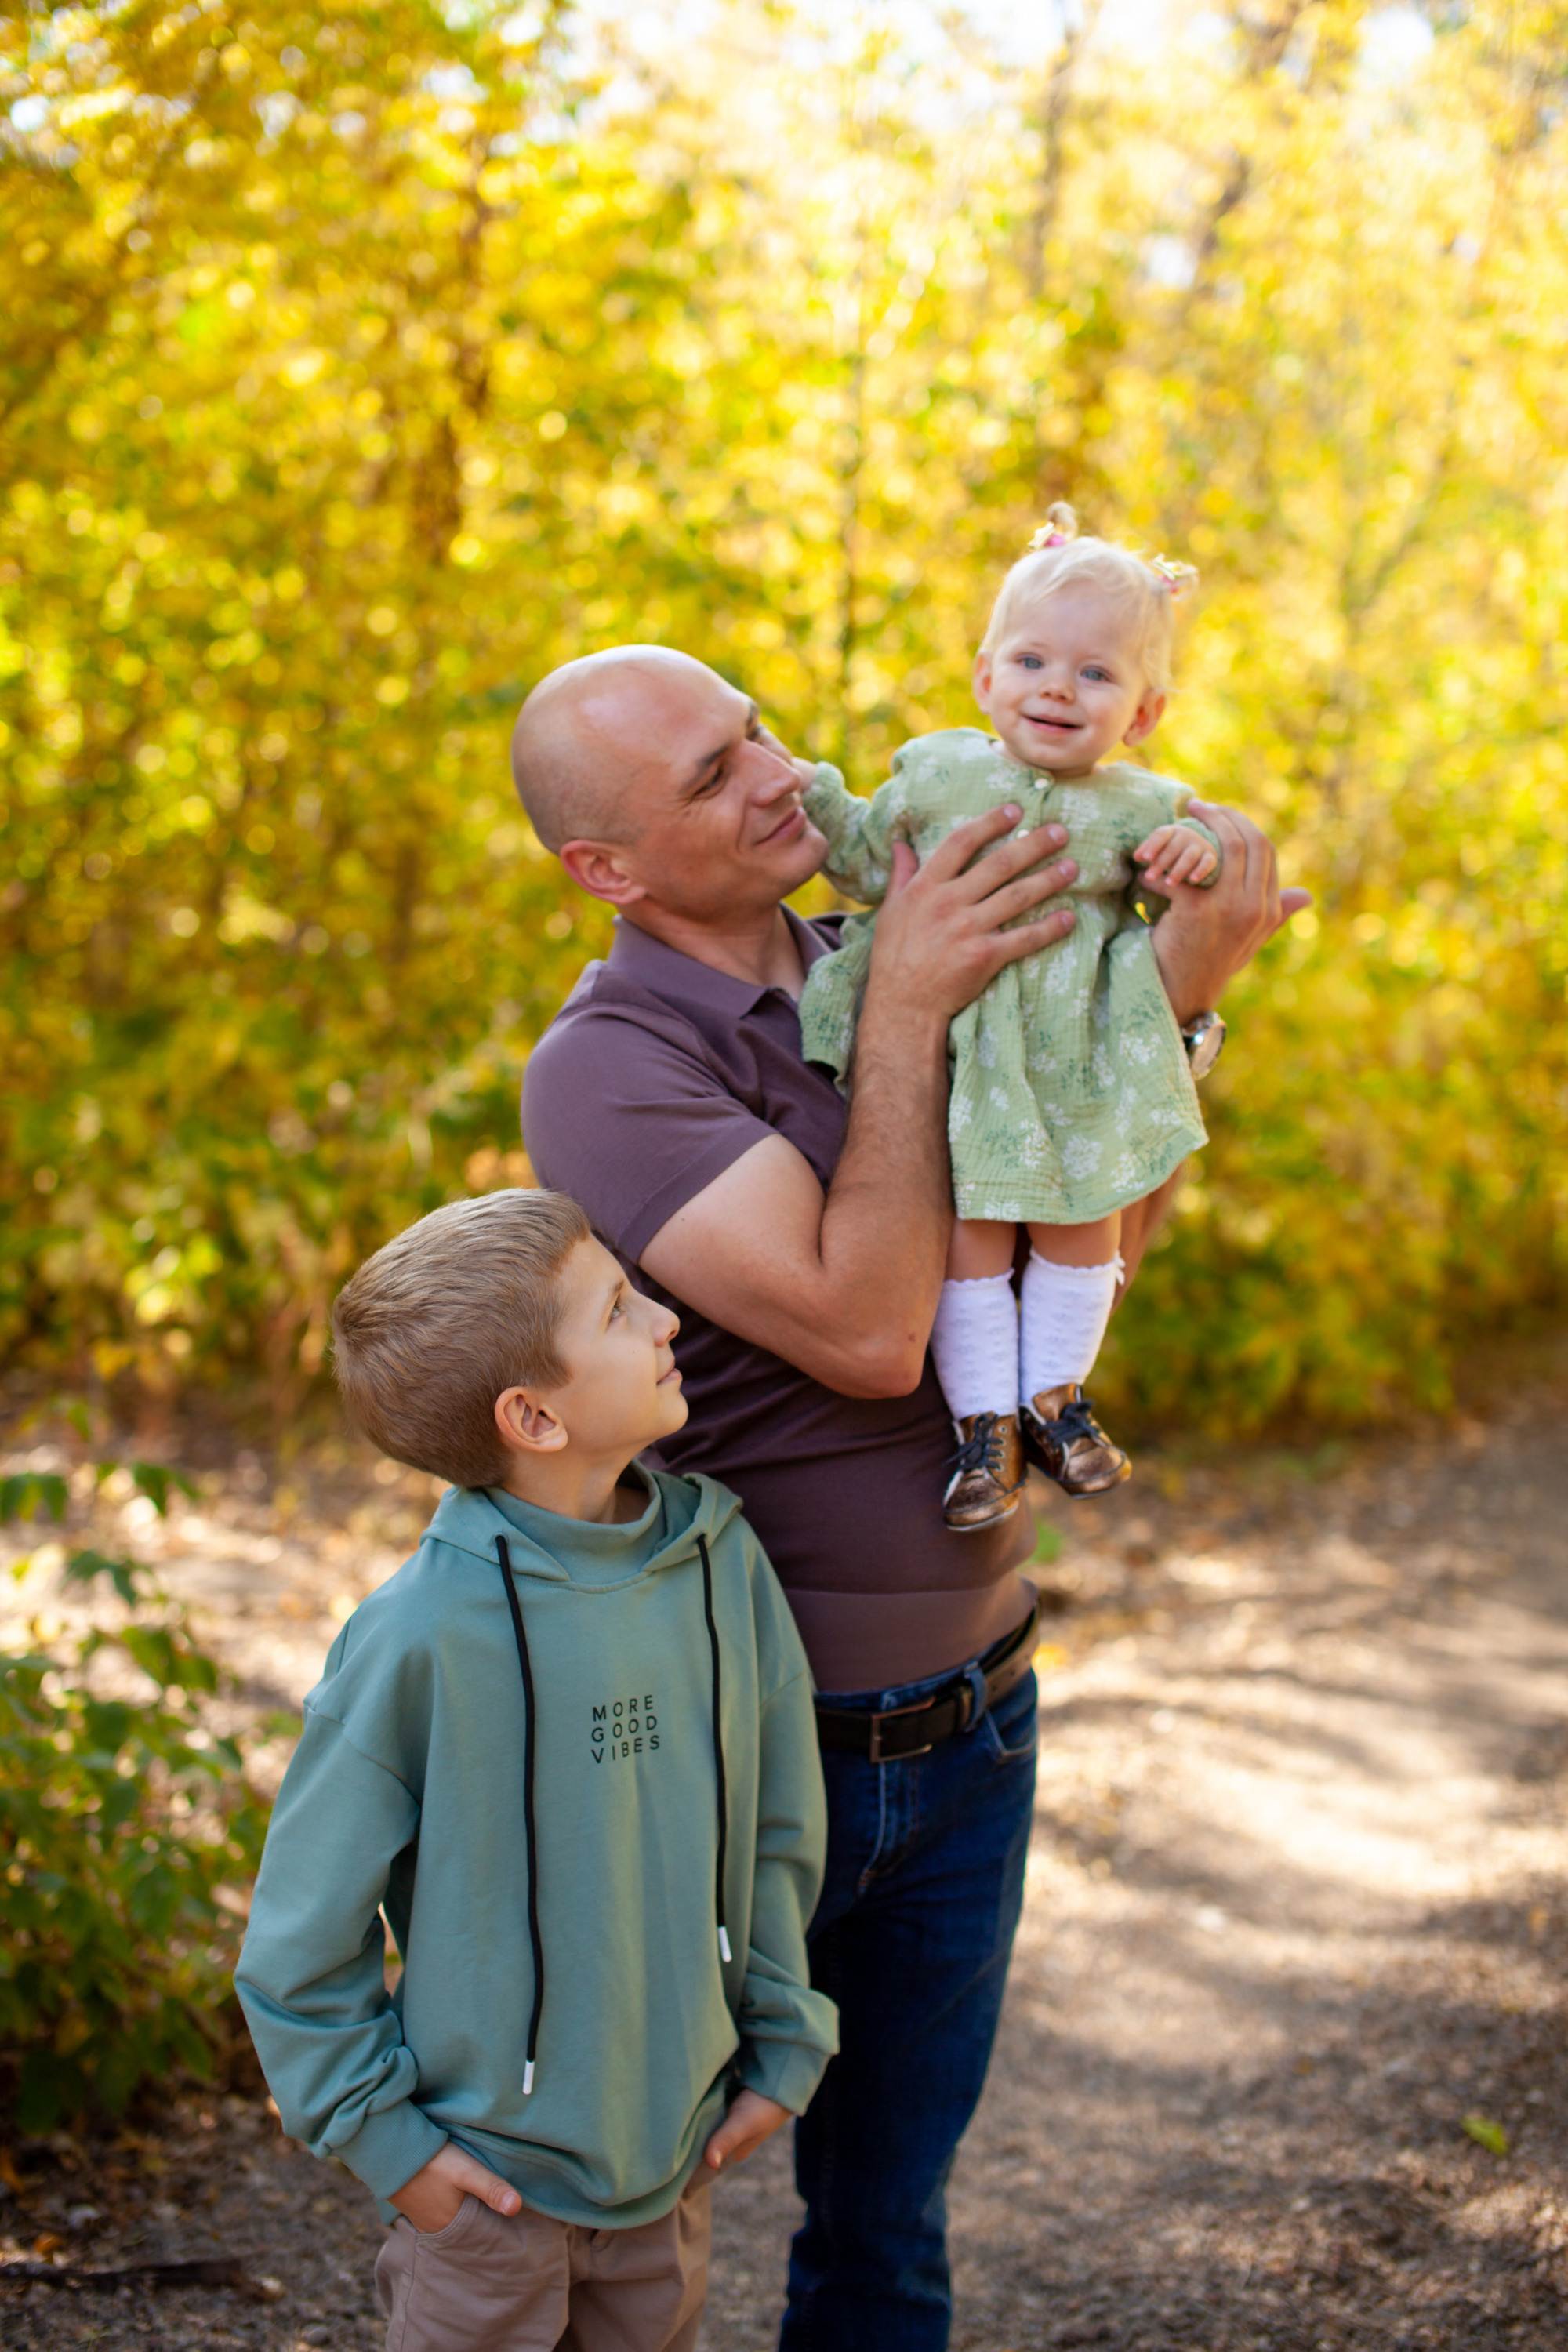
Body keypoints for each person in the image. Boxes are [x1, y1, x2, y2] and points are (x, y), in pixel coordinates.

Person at [512, 641, 1308, 2352]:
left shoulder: (877, 944)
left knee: (886, 2236)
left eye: (760, 733)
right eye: (713, 777)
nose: (780, 775)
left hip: (979, 1728)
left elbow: (1083, 1282)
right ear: (607, 868)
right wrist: (911, 1012)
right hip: (745, 1747)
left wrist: (1175, 994)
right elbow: (873, 1336)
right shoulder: (610, 1063)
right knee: (637, 2221)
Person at [235, 1186, 837, 2352]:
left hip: (673, 2171)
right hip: (487, 2205)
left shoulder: (723, 1567)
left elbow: (774, 1826)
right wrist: (391, 2150)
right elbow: (299, 1943)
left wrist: (784, 2034)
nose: (666, 1319)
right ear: (535, 1417)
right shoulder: (419, 1636)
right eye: (618, 1310)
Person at [797, 505, 1225, 1530]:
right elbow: (866, 862)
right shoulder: (940, 773)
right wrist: (813, 799)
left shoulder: (1146, 806)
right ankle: (984, 1423)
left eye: (1095, 674)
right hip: (967, 1058)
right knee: (973, 1240)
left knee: (1085, 1225)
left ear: (1146, 710)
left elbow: (1180, 894)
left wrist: (1198, 862)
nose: (1056, 689)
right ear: (986, 678)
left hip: (1079, 1054)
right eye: (1031, 661)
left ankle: (1056, 1403)